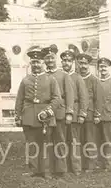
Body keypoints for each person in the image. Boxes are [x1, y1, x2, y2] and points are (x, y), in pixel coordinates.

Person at [14, 47, 60, 178]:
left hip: (45, 116)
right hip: (28, 115)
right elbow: (20, 99)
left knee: (46, 143)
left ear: (43, 63)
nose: (36, 64)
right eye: (33, 62)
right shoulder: (25, 80)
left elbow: (57, 98)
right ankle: (34, 169)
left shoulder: (51, 79)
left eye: (38, 61)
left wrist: (48, 111)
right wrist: (18, 116)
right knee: (32, 143)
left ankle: (46, 171)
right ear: (31, 63)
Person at [42, 46, 74, 179]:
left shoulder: (64, 75)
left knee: (60, 141)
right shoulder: (42, 76)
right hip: (45, 114)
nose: (50, 60)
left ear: (56, 59)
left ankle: (62, 170)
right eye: (47, 58)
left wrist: (69, 112)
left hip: (60, 113)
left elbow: (70, 95)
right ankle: (47, 170)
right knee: (46, 142)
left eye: (52, 58)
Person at [60, 49, 89, 175]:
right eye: (64, 60)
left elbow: (84, 97)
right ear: (61, 62)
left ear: (73, 63)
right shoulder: (59, 76)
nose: (66, 63)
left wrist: (82, 113)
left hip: (75, 112)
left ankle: (76, 168)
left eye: (69, 61)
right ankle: (64, 167)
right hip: (61, 112)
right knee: (62, 140)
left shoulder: (77, 78)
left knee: (74, 141)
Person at [76, 53, 104, 172]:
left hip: (90, 114)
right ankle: (82, 163)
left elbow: (99, 99)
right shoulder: (75, 77)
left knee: (90, 139)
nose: (83, 66)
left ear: (89, 65)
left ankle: (91, 164)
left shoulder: (94, 80)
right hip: (77, 114)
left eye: (85, 64)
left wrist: (97, 114)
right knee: (79, 139)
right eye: (81, 63)